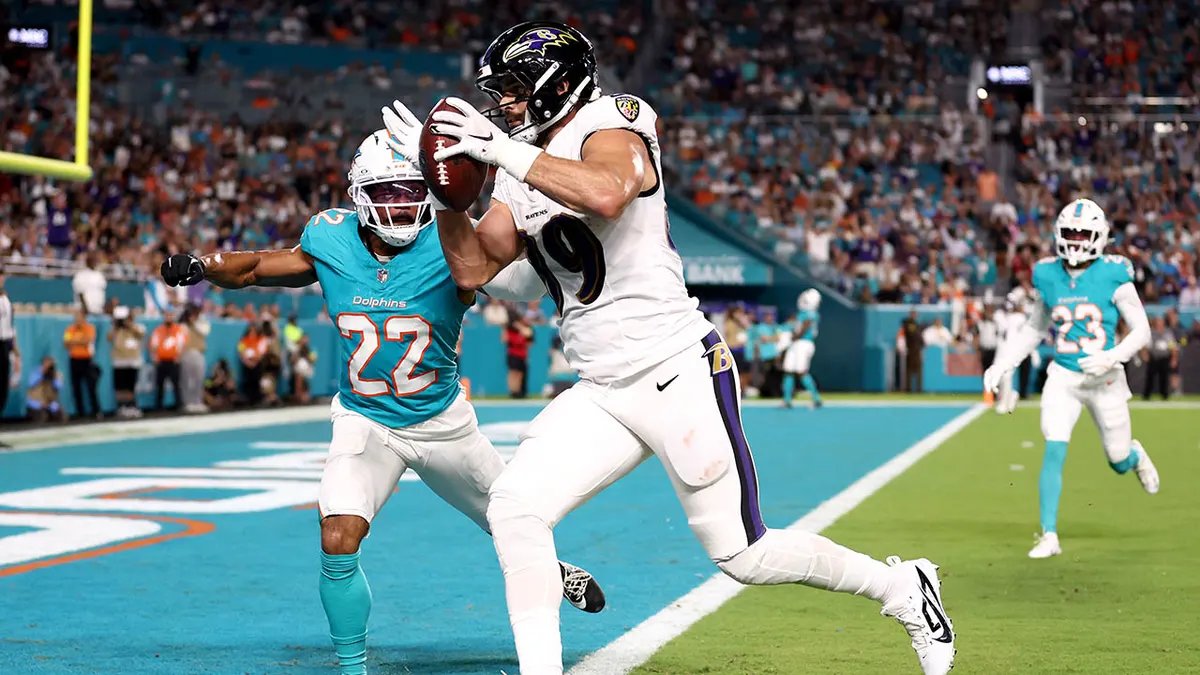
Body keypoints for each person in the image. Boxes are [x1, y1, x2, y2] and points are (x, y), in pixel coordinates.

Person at [385, 21, 955, 675]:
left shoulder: (613, 121)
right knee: (515, 508)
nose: (501, 107)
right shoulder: (517, 163)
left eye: (513, 89)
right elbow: (474, 270)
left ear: (554, 82)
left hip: (674, 367)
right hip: (601, 387)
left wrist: (503, 156)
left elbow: (605, 189)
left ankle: (905, 588)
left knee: (744, 553)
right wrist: (443, 195)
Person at [160, 129, 605, 675]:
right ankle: (353, 668)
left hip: (443, 423)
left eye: (409, 191)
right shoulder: (330, 239)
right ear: (359, 196)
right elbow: (256, 267)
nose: (400, 205)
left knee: (510, 521)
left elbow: (512, 272)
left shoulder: (450, 245)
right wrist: (204, 266)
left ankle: (555, 571)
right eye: (387, 193)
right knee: (337, 535)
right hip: (366, 421)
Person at [985, 199, 1160, 559]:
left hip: (1106, 378)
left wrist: (1112, 356)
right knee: (1054, 445)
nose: (1076, 240)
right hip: (1063, 375)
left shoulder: (1114, 272)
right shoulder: (1048, 274)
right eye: (1070, 233)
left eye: (1083, 233)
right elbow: (1035, 328)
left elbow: (1142, 331)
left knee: (1117, 458)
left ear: (1099, 236)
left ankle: (1135, 456)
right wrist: (1004, 363)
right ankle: (1049, 534)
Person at [781, 288, 823, 409]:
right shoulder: (802, 313)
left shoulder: (811, 314)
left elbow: (805, 326)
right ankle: (787, 400)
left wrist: (793, 336)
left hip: (803, 343)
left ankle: (816, 398)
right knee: (788, 370)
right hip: (797, 343)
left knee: (801, 371)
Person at [109, 305, 146, 419]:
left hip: (132, 361)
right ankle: (122, 406)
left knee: (130, 386)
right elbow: (109, 337)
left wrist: (129, 325)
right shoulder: (116, 330)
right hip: (119, 361)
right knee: (120, 387)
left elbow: (140, 334)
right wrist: (117, 325)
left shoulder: (137, 327)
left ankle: (132, 406)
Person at [63, 308, 100, 419]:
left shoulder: (89, 328)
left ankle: (96, 411)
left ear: (84, 317)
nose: (77, 319)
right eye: (75, 316)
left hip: (86, 360)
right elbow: (66, 343)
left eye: (79, 316)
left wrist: (74, 341)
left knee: (91, 387)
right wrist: (78, 341)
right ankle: (80, 412)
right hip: (74, 360)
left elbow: (87, 340)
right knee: (76, 387)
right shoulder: (70, 329)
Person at [149, 311, 187, 411]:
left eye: (170, 315)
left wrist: (179, 357)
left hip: (173, 361)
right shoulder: (159, 330)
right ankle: (159, 406)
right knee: (159, 385)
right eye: (167, 316)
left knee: (176, 384)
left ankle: (179, 404)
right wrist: (155, 357)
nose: (168, 318)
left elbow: (182, 344)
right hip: (161, 361)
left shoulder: (178, 330)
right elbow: (153, 345)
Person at [180, 304, 210, 413]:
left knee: (199, 379)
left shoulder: (202, 323)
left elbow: (204, 331)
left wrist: (194, 322)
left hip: (199, 353)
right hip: (187, 353)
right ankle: (188, 402)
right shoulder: (183, 326)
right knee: (187, 379)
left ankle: (198, 401)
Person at [1142, 315, 1177, 400]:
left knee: (1164, 377)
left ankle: (1164, 395)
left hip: (1164, 358)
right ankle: (1147, 395)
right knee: (1150, 377)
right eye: (1157, 323)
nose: (1159, 324)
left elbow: (1173, 347)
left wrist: (1174, 359)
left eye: (1160, 323)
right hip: (1154, 358)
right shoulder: (1151, 333)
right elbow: (1146, 346)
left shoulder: (1168, 334)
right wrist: (1145, 355)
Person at [0, 269, 18, 420]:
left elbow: (10, 325)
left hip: (5, 344)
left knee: (3, 386)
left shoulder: (6, 298)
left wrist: (15, 348)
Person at [26, 356, 66, 423]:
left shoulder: (56, 374)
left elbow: (59, 386)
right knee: (42, 417)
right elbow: (31, 384)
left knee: (61, 416)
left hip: (50, 402)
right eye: (46, 364)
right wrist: (41, 374)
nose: (48, 367)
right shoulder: (35, 373)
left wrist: (55, 377)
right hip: (37, 403)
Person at [502, 312, 533, 398]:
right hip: (513, 354)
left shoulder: (524, 329)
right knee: (513, 373)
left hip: (522, 355)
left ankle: (518, 391)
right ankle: (512, 391)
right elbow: (504, 339)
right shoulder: (510, 330)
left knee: (520, 374)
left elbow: (528, 335)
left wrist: (519, 326)